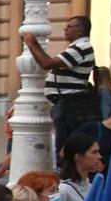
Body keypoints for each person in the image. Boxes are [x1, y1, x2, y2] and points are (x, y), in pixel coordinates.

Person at [25, 13, 99, 149]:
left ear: (80, 30)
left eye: (69, 27)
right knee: (63, 141)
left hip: (70, 104)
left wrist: (31, 43)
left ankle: (64, 167)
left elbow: (47, 63)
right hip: (66, 103)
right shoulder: (76, 47)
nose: (65, 30)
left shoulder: (81, 47)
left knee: (65, 144)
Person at [51, 132, 103, 201]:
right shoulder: (63, 191)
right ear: (78, 156)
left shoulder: (91, 186)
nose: (99, 156)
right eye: (94, 152)